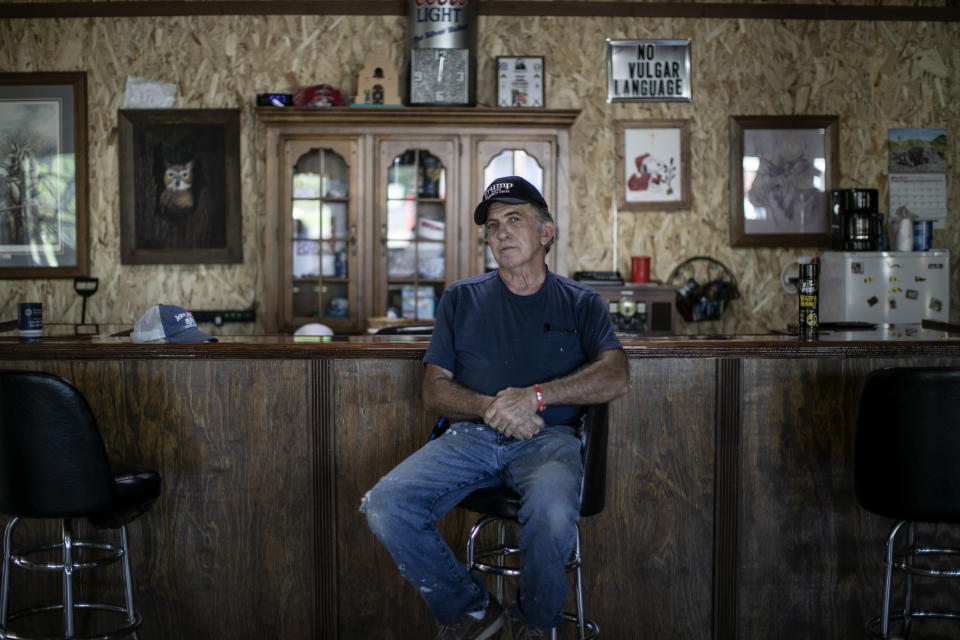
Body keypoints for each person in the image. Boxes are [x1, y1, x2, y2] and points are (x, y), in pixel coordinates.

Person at [361, 176, 629, 639]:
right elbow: (433, 390)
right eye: (492, 225)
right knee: (386, 504)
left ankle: (530, 624)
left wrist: (536, 397)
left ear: (545, 233)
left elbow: (616, 375)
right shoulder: (461, 298)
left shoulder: (582, 303)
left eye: (514, 219)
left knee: (550, 510)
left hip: (548, 440)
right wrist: (494, 408)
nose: (501, 231)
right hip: (472, 438)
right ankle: (473, 614)